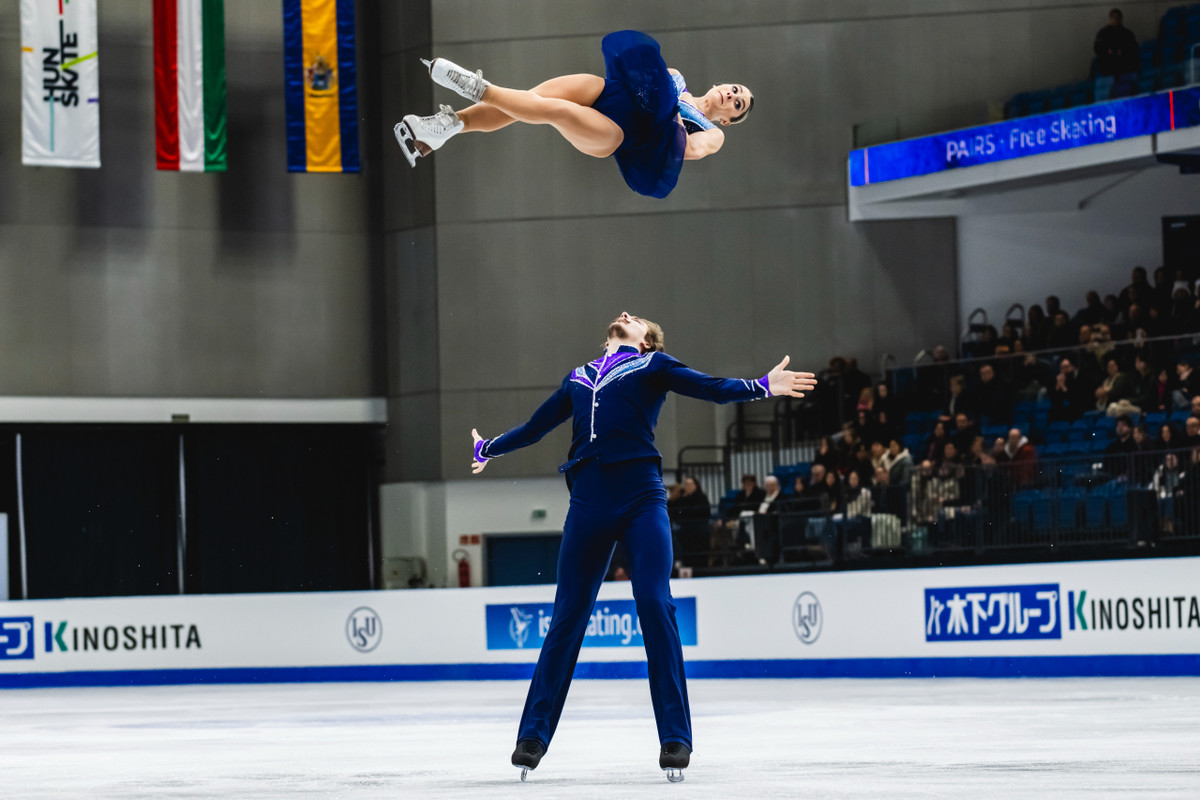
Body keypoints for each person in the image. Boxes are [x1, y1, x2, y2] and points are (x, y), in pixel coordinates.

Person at [470, 311, 815, 781]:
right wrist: (488, 448)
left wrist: (760, 386)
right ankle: (532, 735)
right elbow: (535, 428)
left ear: (647, 341)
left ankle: (675, 737)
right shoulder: (578, 377)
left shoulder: (654, 365)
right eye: (624, 315)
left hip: (641, 498)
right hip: (587, 502)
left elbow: (712, 388)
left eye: (637, 319)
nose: (626, 315)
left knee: (654, 602)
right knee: (567, 615)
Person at [396, 31, 753, 198]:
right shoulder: (677, 77)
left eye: (738, 104)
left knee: (556, 110)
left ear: (727, 119)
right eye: (736, 89)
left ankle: (477, 87)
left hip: (618, 133)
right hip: (608, 91)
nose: (732, 96)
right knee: (527, 101)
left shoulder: (713, 133)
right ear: (723, 84)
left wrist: (672, 114)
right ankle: (445, 127)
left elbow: (690, 149)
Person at [1093, 9, 1139, 78]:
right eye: (1113, 17)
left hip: (1124, 64)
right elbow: (1097, 48)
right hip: (1107, 64)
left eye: (1117, 17)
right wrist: (1107, 52)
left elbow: (1133, 48)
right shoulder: (1102, 33)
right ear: (1110, 18)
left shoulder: (1127, 33)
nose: (1115, 19)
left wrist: (1123, 52)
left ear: (1121, 19)